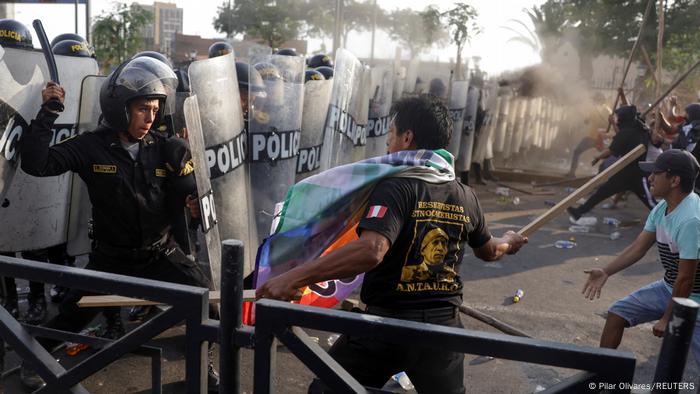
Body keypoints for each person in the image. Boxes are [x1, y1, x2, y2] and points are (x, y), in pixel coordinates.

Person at [256, 94, 528, 394]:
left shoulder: (397, 187)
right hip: (443, 330)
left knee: (326, 389)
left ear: (407, 137)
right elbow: (490, 250)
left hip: (387, 327)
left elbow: (372, 250)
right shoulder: (465, 194)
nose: (387, 143)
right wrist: (509, 241)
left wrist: (295, 276)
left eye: (390, 134)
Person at [18, 56, 218, 391]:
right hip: (111, 259)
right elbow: (36, 165)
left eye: (155, 109)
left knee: (210, 305)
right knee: (71, 316)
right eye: (142, 109)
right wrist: (49, 112)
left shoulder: (163, 148)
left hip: (159, 253)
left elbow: (188, 202)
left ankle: (202, 362)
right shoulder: (91, 146)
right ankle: (31, 362)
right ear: (118, 107)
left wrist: (192, 190)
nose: (150, 118)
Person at [582, 149, 700, 366]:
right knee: (617, 314)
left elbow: (686, 278)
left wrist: (668, 318)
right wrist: (606, 270)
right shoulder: (663, 208)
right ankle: (603, 375)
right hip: (670, 288)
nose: (650, 178)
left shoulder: (691, 219)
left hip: (694, 299)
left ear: (674, 180)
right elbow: (639, 247)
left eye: (656, 173)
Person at [567, 103, 656, 222]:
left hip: (636, 174)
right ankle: (579, 211)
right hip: (625, 172)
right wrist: (614, 123)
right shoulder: (639, 128)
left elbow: (611, 150)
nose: (617, 119)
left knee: (649, 201)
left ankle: (668, 219)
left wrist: (598, 157)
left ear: (624, 119)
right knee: (602, 192)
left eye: (619, 117)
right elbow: (621, 135)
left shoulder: (627, 132)